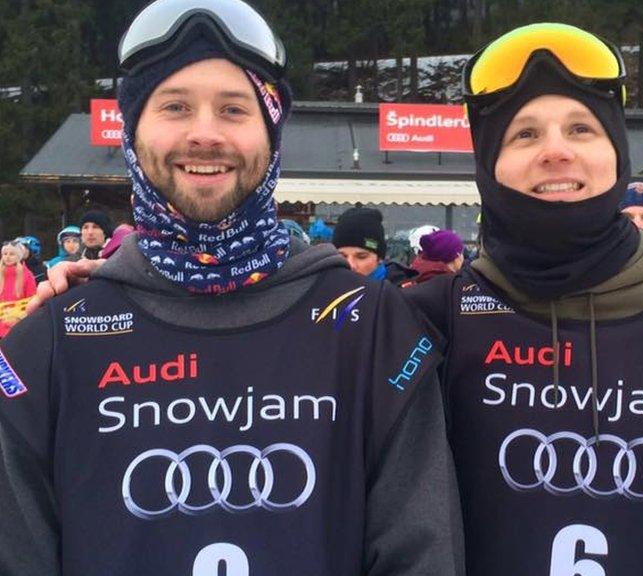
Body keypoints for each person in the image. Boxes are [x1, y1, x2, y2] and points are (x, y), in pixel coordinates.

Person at [0, 1, 462, 575]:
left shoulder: (371, 326)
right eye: (174, 106)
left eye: (233, 109)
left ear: (270, 134)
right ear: (132, 130)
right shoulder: (50, 343)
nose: (204, 134)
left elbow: (421, 552)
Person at [407, 22, 643, 575]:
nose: (556, 153)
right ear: (487, 165)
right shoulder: (435, 317)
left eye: (581, 129)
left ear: (616, 151)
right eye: (524, 135)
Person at [332, 207, 417, 284]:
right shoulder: (324, 289)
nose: (351, 265)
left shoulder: (402, 295)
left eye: (361, 257)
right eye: (342, 257)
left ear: (379, 258)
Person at [0, 241, 37, 338]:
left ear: (19, 256)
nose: (7, 257)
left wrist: (19, 319)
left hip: (17, 326)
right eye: (5, 254)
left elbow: (32, 301)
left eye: (12, 254)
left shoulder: (27, 275)